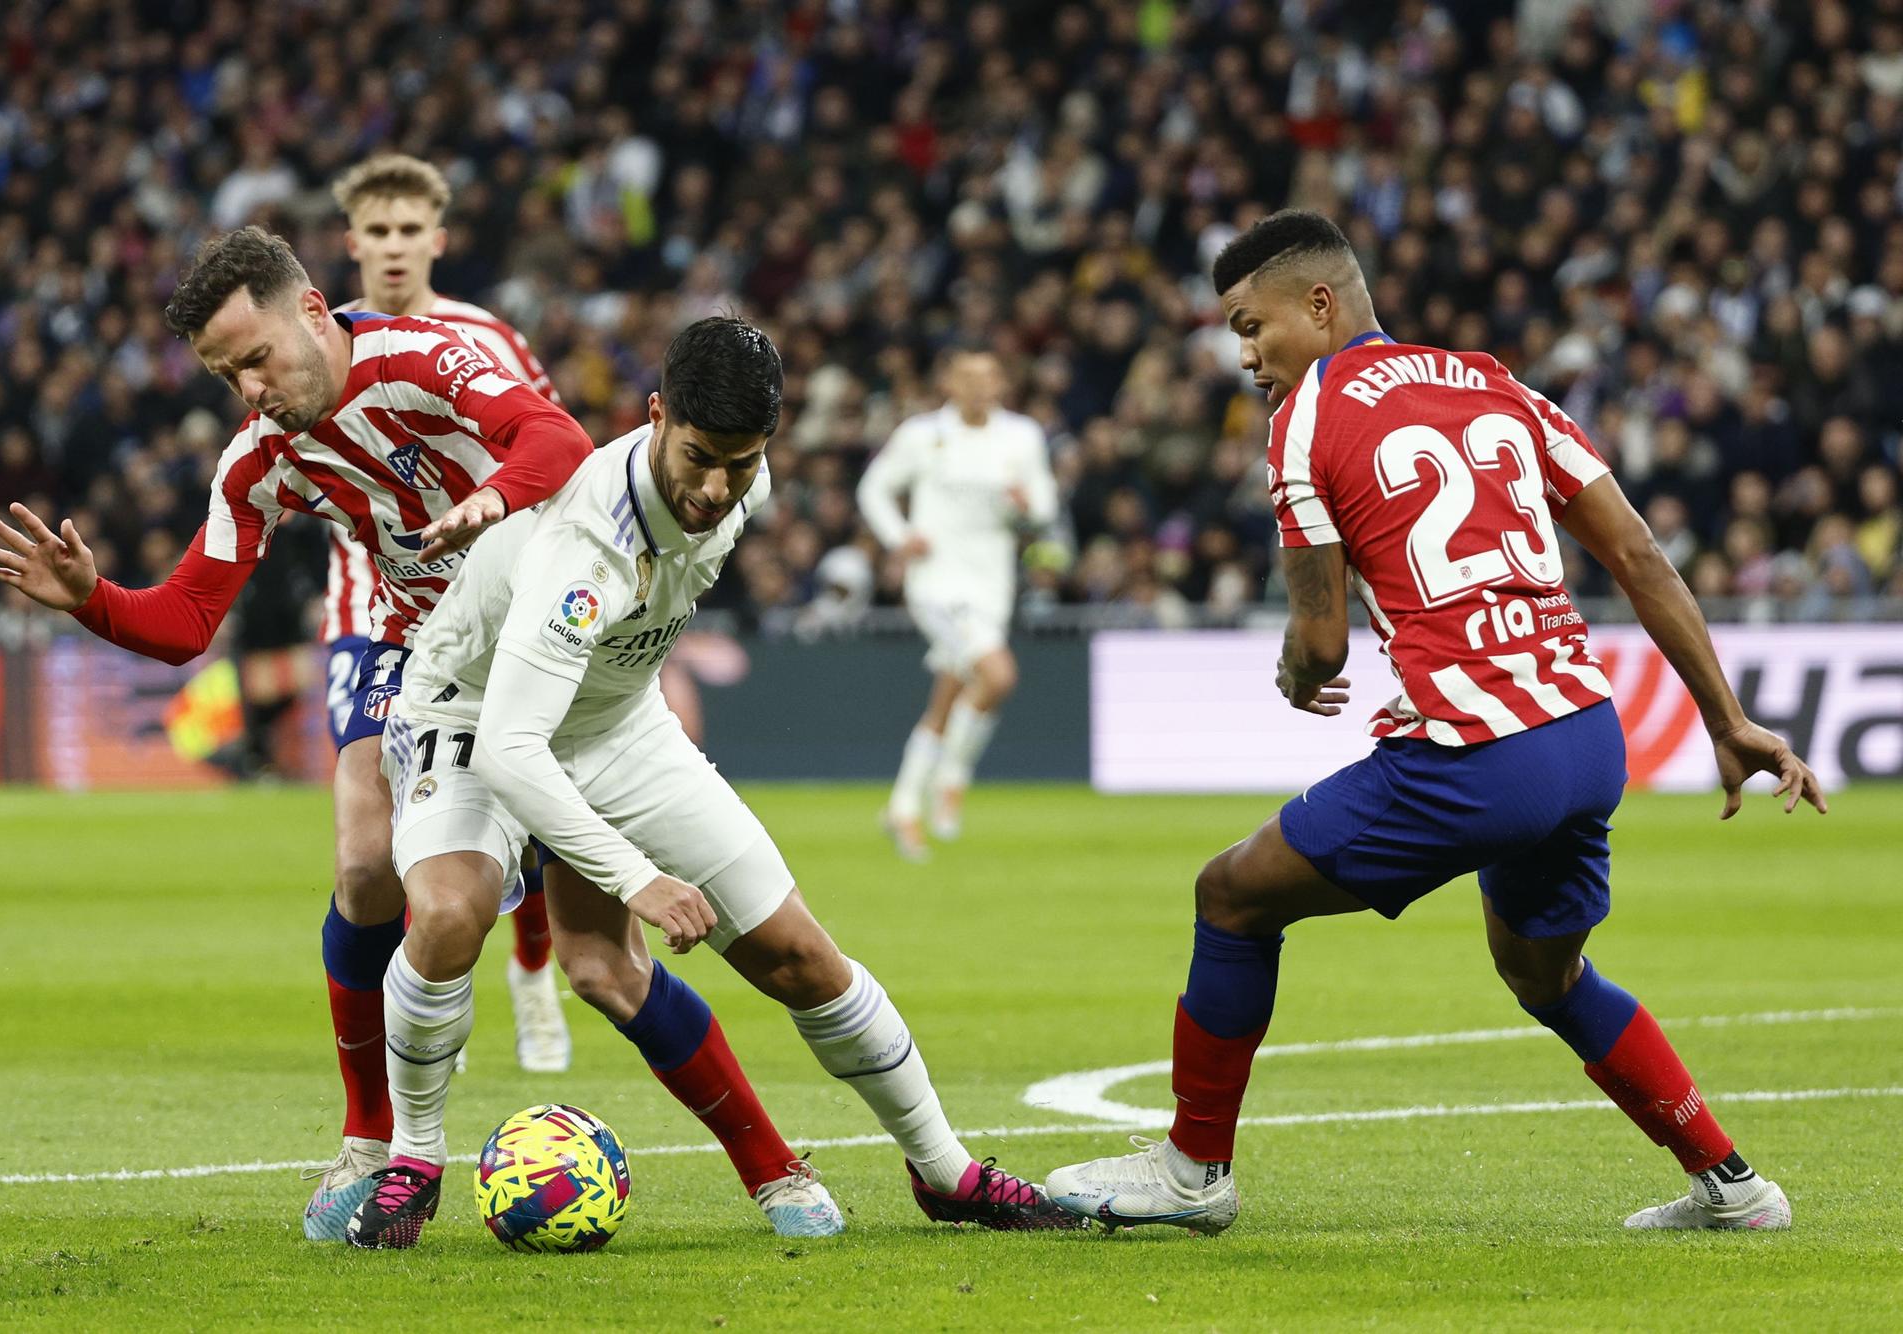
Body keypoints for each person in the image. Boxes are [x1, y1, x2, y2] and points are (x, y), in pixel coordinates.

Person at [1044, 211, 1826, 1234]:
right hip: (1585, 734)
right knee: (1543, 972)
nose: (1243, 356)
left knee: (1231, 896)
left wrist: (1292, 670)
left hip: (1472, 751)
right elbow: (1637, 555)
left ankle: (1192, 1170)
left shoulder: (1305, 418)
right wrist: (1722, 718)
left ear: (1318, 305)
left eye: (1250, 326)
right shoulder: (1494, 380)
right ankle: (1732, 1185)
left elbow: (1319, 643)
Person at [351, 316, 1081, 1247]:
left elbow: (612, 667)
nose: (715, 488)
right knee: (453, 913)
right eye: (697, 457)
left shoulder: (745, 474)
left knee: (798, 958)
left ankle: (947, 1172)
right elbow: (510, 748)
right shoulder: (586, 546)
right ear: (656, 415)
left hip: (615, 721)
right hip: (474, 712)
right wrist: (637, 876)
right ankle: (414, 1160)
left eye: (739, 463)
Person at [0, 226, 595, 1241]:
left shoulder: (425, 355)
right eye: (227, 375)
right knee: (362, 868)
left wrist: (486, 501)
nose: (249, 388)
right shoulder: (260, 457)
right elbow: (183, 621)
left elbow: (557, 441)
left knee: (617, 957)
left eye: (255, 357)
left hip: (550, 635)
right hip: (416, 649)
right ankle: (370, 1131)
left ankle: (784, 1165)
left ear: (312, 310)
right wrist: (92, 597)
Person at [328, 152, 571, 1076]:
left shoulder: (487, 337)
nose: (392, 249)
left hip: (494, 607)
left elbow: (558, 458)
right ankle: (426, 990)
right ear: (352, 245)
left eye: (407, 232)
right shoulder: (325, 343)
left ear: (437, 239)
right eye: (376, 233)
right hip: (370, 610)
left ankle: (536, 973)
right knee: (378, 840)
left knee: (531, 799)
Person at [857, 349, 1058, 859]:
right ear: (948, 380)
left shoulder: (1022, 436)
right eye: (966, 377)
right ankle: (952, 775)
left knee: (947, 699)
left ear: (1001, 383)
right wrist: (900, 536)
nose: (977, 387)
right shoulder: (922, 435)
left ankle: (902, 808)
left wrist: (1026, 505)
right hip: (937, 584)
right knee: (997, 677)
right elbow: (874, 489)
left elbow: (1045, 505)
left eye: (988, 377)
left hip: (992, 585)